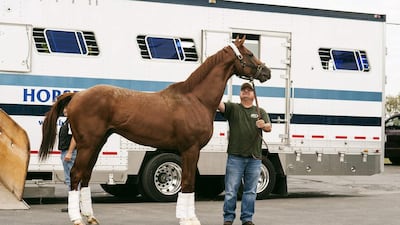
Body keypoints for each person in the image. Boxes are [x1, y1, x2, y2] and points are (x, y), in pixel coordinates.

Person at [218, 82, 272, 225]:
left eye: (249, 90)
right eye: (243, 90)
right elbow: (219, 105)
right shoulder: (233, 108)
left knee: (250, 192)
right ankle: (228, 219)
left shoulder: (260, 111)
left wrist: (264, 125)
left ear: (254, 95)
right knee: (230, 191)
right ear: (240, 94)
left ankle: (247, 219)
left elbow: (269, 127)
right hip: (235, 157)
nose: (246, 92)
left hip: (254, 158)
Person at [58, 107, 77, 212]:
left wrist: (69, 152)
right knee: (71, 179)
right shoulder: (68, 121)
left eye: (67, 108)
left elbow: (75, 137)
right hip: (67, 152)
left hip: (70, 152)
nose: (64, 110)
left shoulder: (71, 122)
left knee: (71, 179)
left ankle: (73, 206)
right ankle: (74, 205)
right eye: (64, 108)